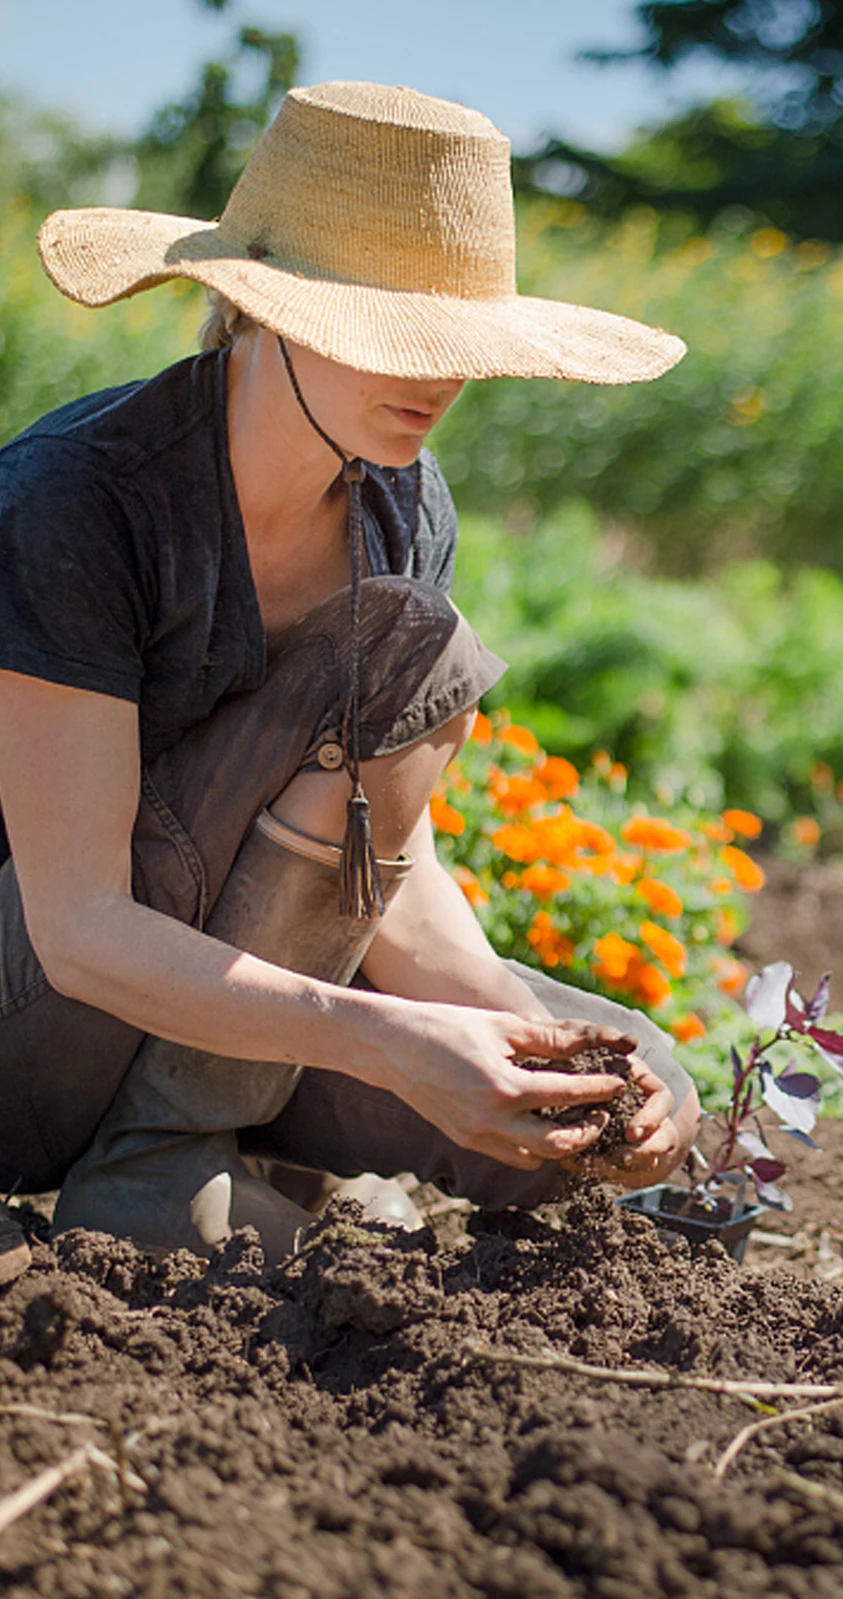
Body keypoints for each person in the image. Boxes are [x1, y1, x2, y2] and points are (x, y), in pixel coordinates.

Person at [0, 81, 702, 1262]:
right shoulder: (81, 501)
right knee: (413, 641)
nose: (436, 380)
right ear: (262, 310)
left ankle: (181, 1163)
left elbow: (378, 856)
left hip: (222, 1016)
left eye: (458, 344)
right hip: (35, 1021)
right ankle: (160, 1170)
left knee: (616, 1083)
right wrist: (386, 1040)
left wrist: (508, 1028)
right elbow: (76, 928)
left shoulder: (401, 500)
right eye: (391, 333)